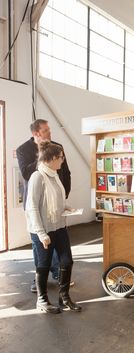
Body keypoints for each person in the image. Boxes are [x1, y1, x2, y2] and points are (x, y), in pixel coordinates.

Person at [25, 141, 81, 313]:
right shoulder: (38, 177)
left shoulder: (54, 175)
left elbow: (55, 200)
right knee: (44, 264)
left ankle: (64, 298)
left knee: (67, 261)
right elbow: (32, 207)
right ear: (50, 158)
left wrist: (66, 207)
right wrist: (41, 234)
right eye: (60, 158)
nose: (62, 161)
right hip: (42, 230)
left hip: (59, 226)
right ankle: (42, 301)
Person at [16, 119, 71, 292]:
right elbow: (25, 173)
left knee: (56, 237)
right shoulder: (23, 149)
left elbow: (65, 172)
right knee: (40, 243)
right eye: (46, 130)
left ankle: (58, 273)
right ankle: (39, 279)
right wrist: (42, 157)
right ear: (36, 134)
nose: (49, 133)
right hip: (35, 201)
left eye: (49, 129)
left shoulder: (57, 146)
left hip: (56, 201)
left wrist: (64, 195)